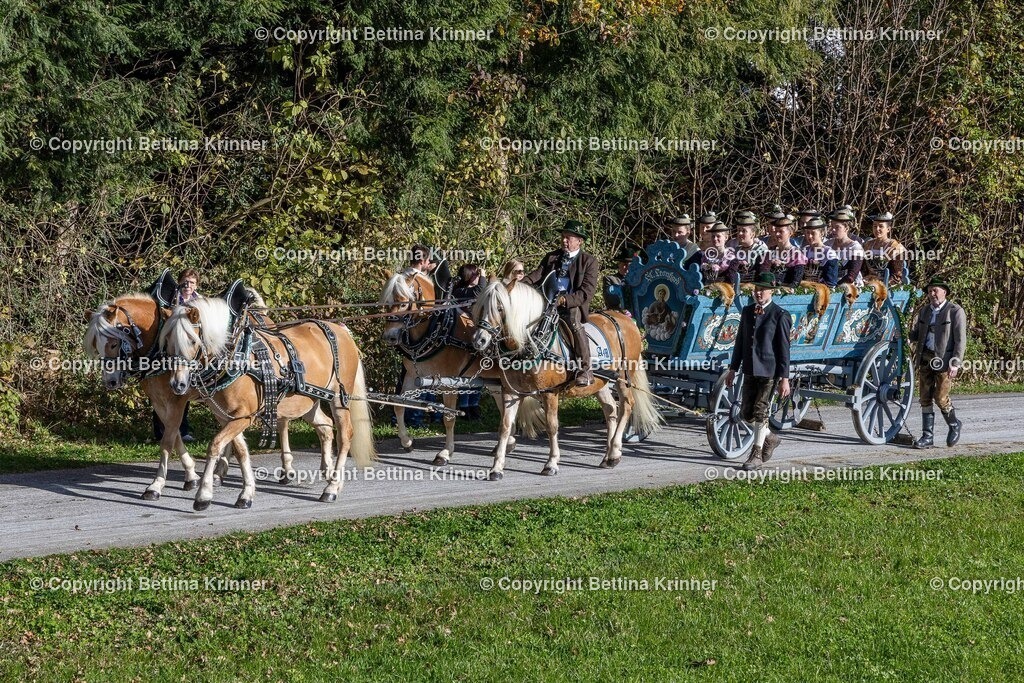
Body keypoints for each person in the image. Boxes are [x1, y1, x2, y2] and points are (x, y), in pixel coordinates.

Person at [723, 272, 792, 471]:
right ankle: (770, 436)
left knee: (761, 411)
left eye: (762, 289)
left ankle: (756, 455)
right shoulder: (747, 311)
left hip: (769, 371)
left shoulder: (780, 315)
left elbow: (784, 350)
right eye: (756, 289)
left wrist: (784, 378)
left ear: (771, 291)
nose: (758, 293)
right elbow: (740, 343)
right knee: (746, 412)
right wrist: (733, 369)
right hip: (750, 369)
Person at [523, 220, 600, 386]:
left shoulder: (589, 262)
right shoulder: (551, 257)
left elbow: (586, 292)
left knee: (574, 322)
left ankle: (585, 369)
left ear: (579, 241)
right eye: (563, 237)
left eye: (568, 238)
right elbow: (536, 275)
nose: (564, 240)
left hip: (572, 305)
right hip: (547, 301)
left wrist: (564, 300)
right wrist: (519, 285)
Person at [909, 278, 966, 449]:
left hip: (944, 361)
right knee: (925, 398)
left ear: (944, 292)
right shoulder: (925, 311)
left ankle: (954, 424)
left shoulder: (955, 311)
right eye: (930, 291)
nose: (932, 294)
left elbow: (960, 340)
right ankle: (927, 437)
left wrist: (955, 362)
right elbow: (917, 334)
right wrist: (905, 335)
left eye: (935, 290)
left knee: (940, 398)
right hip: (925, 358)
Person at [153, 268, 199, 443]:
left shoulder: (200, 302)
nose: (188, 286)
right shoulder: (171, 298)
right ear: (180, 282)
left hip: (186, 352)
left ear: (196, 285)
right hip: (170, 349)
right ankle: (160, 430)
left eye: (192, 283)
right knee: (160, 390)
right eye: (185, 282)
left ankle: (182, 429)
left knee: (183, 392)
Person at [862, 212, 908, 285]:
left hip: (888, 282)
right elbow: (863, 268)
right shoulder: (868, 244)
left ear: (888, 229)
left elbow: (896, 274)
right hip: (867, 281)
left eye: (881, 226)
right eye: (875, 226)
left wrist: (884, 283)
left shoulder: (895, 246)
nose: (877, 229)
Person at [759, 215, 806, 286]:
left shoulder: (797, 255)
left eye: (781, 231)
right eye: (776, 231)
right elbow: (762, 275)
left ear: (790, 232)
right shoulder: (769, 251)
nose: (777, 234)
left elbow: (795, 283)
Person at [726, 211, 769, 283]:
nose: (740, 233)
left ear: (752, 234)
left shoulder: (761, 250)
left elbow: (763, 272)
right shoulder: (735, 250)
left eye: (744, 231)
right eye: (738, 230)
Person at [826, 206, 864, 285]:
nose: (833, 230)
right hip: (828, 284)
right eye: (832, 227)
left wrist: (835, 286)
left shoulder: (855, 247)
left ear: (846, 228)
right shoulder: (827, 244)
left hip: (848, 285)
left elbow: (852, 276)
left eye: (837, 227)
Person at [801, 218, 839, 286]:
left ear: (821, 233)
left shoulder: (829, 253)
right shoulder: (804, 251)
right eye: (807, 233)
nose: (809, 236)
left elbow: (831, 282)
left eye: (813, 233)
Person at [603, 245, 637, 312]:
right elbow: (610, 301)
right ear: (619, 264)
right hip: (619, 314)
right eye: (624, 264)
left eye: (629, 265)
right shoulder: (610, 279)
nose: (627, 267)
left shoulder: (639, 280)